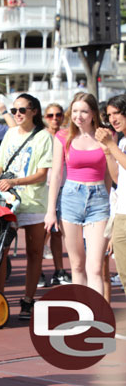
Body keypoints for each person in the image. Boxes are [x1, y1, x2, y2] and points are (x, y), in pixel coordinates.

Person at [0, 93, 53, 320]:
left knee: (35, 252)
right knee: (0, 251)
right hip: (7, 201)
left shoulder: (44, 137)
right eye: (14, 111)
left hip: (34, 201)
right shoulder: (9, 133)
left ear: (34, 111)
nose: (17, 114)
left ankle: (28, 300)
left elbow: (41, 174)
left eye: (22, 110)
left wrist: (15, 181)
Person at [44, 94, 111, 296]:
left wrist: (108, 201)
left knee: (95, 268)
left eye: (84, 111)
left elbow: (109, 174)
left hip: (99, 199)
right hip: (71, 197)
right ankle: (82, 317)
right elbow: (55, 175)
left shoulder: (106, 136)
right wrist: (51, 211)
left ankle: (96, 318)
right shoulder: (63, 137)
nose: (78, 116)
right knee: (77, 265)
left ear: (93, 114)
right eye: (74, 111)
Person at [38, 103, 72, 288]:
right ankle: (38, 271)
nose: (55, 118)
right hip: (43, 187)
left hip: (63, 186)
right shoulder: (41, 136)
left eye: (58, 115)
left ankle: (60, 271)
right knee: (41, 232)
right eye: (50, 115)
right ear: (44, 116)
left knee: (57, 232)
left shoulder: (68, 135)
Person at [96, 94, 126, 298]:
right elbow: (117, 177)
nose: (113, 119)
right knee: (124, 272)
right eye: (109, 115)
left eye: (117, 113)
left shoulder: (120, 144)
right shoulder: (122, 142)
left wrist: (111, 146)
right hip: (122, 213)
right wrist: (108, 151)